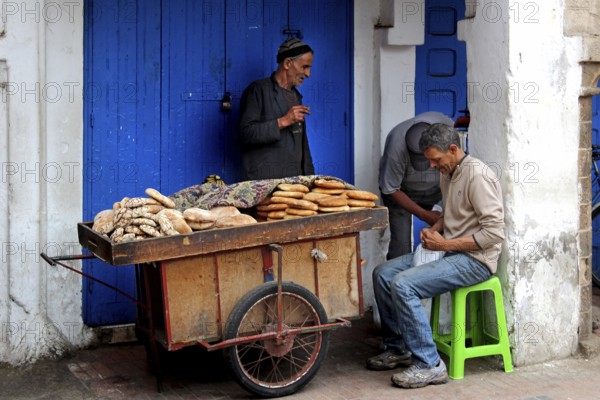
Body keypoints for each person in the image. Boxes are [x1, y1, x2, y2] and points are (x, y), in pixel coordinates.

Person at [367, 123, 505, 389]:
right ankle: (398, 348)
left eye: (435, 160)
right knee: (383, 274)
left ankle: (430, 364)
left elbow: (494, 234)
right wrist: (434, 230)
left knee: (403, 284)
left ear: (453, 149)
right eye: (429, 161)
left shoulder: (478, 176)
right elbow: (449, 215)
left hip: (476, 261)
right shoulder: (448, 171)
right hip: (449, 251)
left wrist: (446, 244)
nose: (432, 166)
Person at [379, 112, 454, 259]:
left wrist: (440, 213)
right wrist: (425, 215)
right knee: (400, 245)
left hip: (438, 190)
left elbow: (457, 172)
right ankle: (397, 280)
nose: (431, 166)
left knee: (449, 234)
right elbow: (390, 189)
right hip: (401, 193)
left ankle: (436, 277)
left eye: (434, 160)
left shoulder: (449, 132)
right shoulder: (396, 144)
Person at [238, 38, 315, 180]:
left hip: (295, 184)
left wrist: (310, 179)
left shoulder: (296, 96)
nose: (308, 74)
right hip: (265, 184)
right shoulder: (258, 90)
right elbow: (245, 134)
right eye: (305, 67)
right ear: (287, 63)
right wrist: (283, 121)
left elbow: (302, 145)